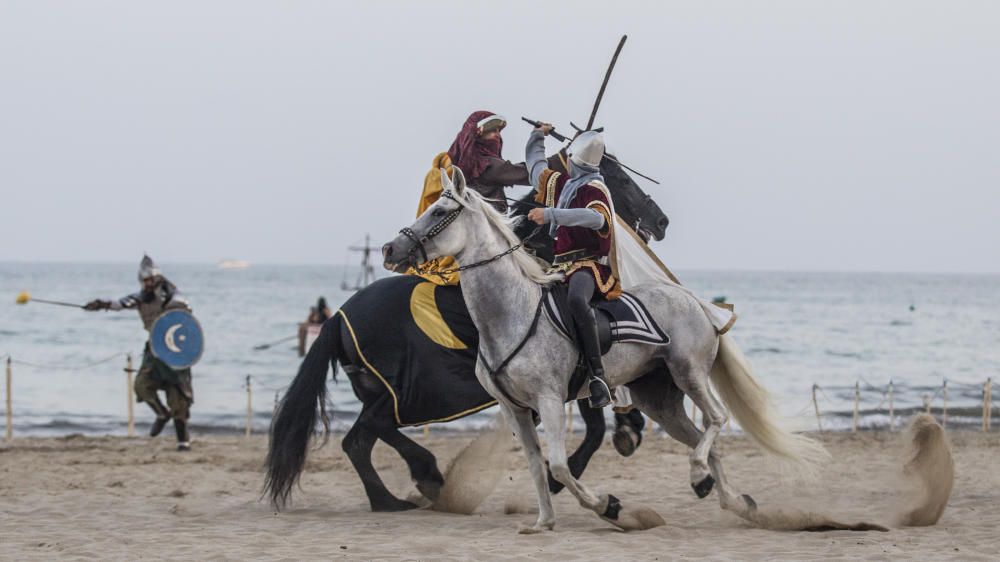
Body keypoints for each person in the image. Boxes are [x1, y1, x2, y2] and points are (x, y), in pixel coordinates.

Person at [525, 124, 618, 408]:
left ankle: (598, 377)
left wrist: (551, 214)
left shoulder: (595, 189)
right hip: (556, 266)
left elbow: (597, 220)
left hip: (587, 266)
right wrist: (536, 137)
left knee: (577, 300)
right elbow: (537, 170)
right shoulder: (565, 186)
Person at [84, 255, 195, 451]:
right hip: (154, 349)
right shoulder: (141, 297)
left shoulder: (173, 296)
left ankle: (183, 442)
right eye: (145, 281)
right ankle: (161, 414)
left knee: (178, 398)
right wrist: (101, 304)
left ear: (158, 279)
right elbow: (121, 303)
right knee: (142, 385)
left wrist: (170, 305)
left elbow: (183, 310)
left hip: (175, 351)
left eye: (150, 280)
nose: (148, 284)